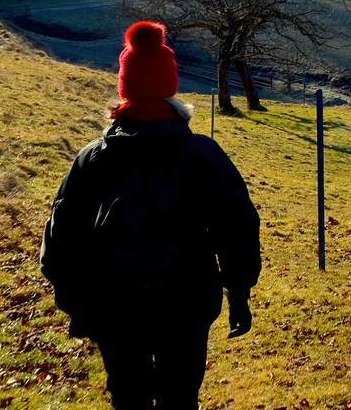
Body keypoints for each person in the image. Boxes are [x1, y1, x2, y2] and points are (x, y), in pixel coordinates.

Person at [41, 21, 260, 409]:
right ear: (170, 88)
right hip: (187, 299)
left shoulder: (93, 157)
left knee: (129, 396)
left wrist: (73, 300)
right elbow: (236, 224)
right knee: (180, 396)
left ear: (124, 91)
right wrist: (238, 290)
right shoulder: (203, 155)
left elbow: (63, 234)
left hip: (115, 302)